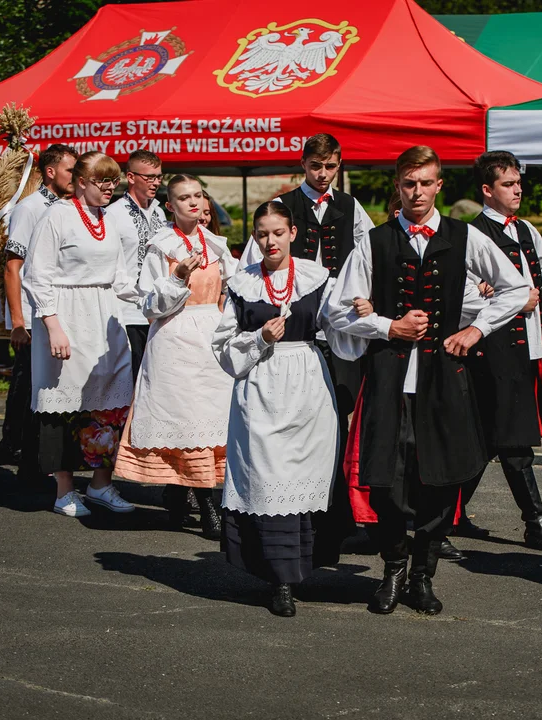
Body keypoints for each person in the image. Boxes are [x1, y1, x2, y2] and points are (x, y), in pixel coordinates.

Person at [324, 145, 529, 616]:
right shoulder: (373, 242)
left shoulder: (464, 237)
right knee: (384, 481)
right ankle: (393, 567)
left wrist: (475, 329)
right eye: (409, 184)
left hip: (444, 377)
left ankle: (423, 575)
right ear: (398, 186)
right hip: (390, 378)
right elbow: (333, 310)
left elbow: (517, 288)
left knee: (441, 477)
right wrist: (386, 327)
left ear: (439, 185)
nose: (417, 192)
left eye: (425, 183)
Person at [211, 201, 352, 617]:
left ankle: (301, 571)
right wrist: (259, 340)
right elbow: (221, 349)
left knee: (304, 477)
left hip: (308, 388)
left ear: (292, 233)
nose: (270, 241)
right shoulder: (241, 284)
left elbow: (341, 329)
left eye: (277, 232)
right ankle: (279, 581)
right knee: (267, 479)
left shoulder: (318, 278)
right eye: (262, 234)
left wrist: (364, 315)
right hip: (259, 390)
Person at [239, 134, 376, 547]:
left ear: (339, 165)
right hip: (293, 327)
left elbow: (370, 253)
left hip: (337, 327)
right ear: (303, 164)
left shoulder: (350, 206)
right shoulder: (282, 208)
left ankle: (331, 512)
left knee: (338, 417)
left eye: (330, 167)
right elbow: (249, 268)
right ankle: (288, 511)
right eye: (316, 166)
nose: (322, 174)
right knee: (291, 419)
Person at [453, 150, 542, 555]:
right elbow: (461, 294)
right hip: (495, 347)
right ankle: (535, 523)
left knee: (487, 438)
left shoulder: (527, 230)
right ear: (487, 190)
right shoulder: (473, 235)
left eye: (518, 183)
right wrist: (508, 301)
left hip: (529, 346)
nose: (517, 190)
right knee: (514, 440)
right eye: (508, 184)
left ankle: (446, 516)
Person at [115, 175, 237, 539]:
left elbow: (231, 291)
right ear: (170, 206)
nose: (194, 203)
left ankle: (179, 493)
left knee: (210, 419)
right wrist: (179, 278)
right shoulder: (161, 247)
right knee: (185, 420)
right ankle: (206, 505)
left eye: (198, 196)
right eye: (184, 198)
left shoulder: (216, 244)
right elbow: (151, 306)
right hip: (175, 337)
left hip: (210, 337)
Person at [24, 151, 140, 518]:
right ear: (81, 182)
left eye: (113, 181)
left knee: (111, 402)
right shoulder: (56, 215)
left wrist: (157, 296)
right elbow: (36, 274)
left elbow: (121, 277)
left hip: (105, 315)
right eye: (102, 181)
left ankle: (101, 483)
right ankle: (63, 491)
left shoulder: (106, 218)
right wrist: (53, 325)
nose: (109, 187)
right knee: (65, 406)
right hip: (67, 315)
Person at [0, 144, 77, 471]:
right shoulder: (29, 208)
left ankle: (40, 456)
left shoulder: (69, 208)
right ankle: (15, 449)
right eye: (71, 170)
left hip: (59, 312)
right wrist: (18, 321)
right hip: (32, 315)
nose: (77, 176)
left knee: (50, 387)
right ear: (50, 172)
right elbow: (12, 266)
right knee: (28, 386)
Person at [105, 150, 166, 379]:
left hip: (159, 312)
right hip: (127, 312)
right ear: (131, 177)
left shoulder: (160, 213)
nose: (156, 182)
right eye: (149, 177)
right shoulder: (113, 214)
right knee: (129, 379)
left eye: (159, 177)